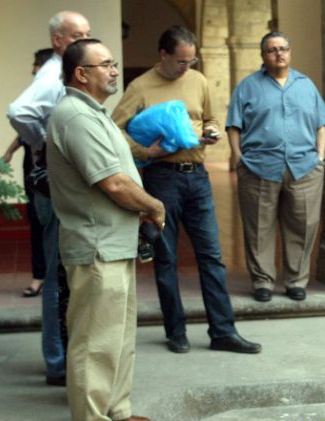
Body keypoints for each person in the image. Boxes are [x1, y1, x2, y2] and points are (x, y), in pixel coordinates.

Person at [46, 38, 166, 421]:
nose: (115, 71)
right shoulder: (75, 116)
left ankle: (115, 407)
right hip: (96, 244)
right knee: (94, 338)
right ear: (81, 73)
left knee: (117, 335)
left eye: (114, 64)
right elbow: (112, 182)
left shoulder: (93, 114)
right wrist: (154, 205)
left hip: (115, 242)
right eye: (107, 65)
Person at [112, 26, 261, 355]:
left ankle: (223, 331)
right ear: (163, 55)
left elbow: (210, 118)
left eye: (192, 60)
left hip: (198, 176)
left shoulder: (199, 80)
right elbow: (115, 130)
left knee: (211, 257)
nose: (187, 67)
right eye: (181, 61)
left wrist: (211, 131)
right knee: (166, 258)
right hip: (161, 179)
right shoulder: (140, 87)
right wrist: (144, 152)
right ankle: (175, 332)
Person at [7, 11, 91, 386]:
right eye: (78, 35)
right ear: (58, 40)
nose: (85, 40)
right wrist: (41, 142)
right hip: (54, 186)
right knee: (58, 277)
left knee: (64, 274)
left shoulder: (65, 69)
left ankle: (62, 359)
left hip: (59, 183)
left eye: (88, 34)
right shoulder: (53, 72)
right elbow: (19, 111)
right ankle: (58, 363)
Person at [226, 32, 325, 303]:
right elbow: (234, 126)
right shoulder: (247, 87)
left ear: (290, 52)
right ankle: (262, 281)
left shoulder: (305, 85)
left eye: (283, 48)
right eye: (272, 50)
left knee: (303, 225)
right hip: (258, 168)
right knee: (259, 228)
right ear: (263, 56)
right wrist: (238, 158)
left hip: (305, 168)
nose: (279, 54)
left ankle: (296, 281)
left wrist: (320, 157)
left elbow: (321, 124)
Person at [3, 48, 54, 298]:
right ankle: (39, 275)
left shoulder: (53, 95)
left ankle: (54, 276)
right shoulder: (35, 96)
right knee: (35, 219)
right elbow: (24, 129)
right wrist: (10, 151)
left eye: (36, 65)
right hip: (32, 170)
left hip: (51, 169)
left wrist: (41, 145)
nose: (33, 69)